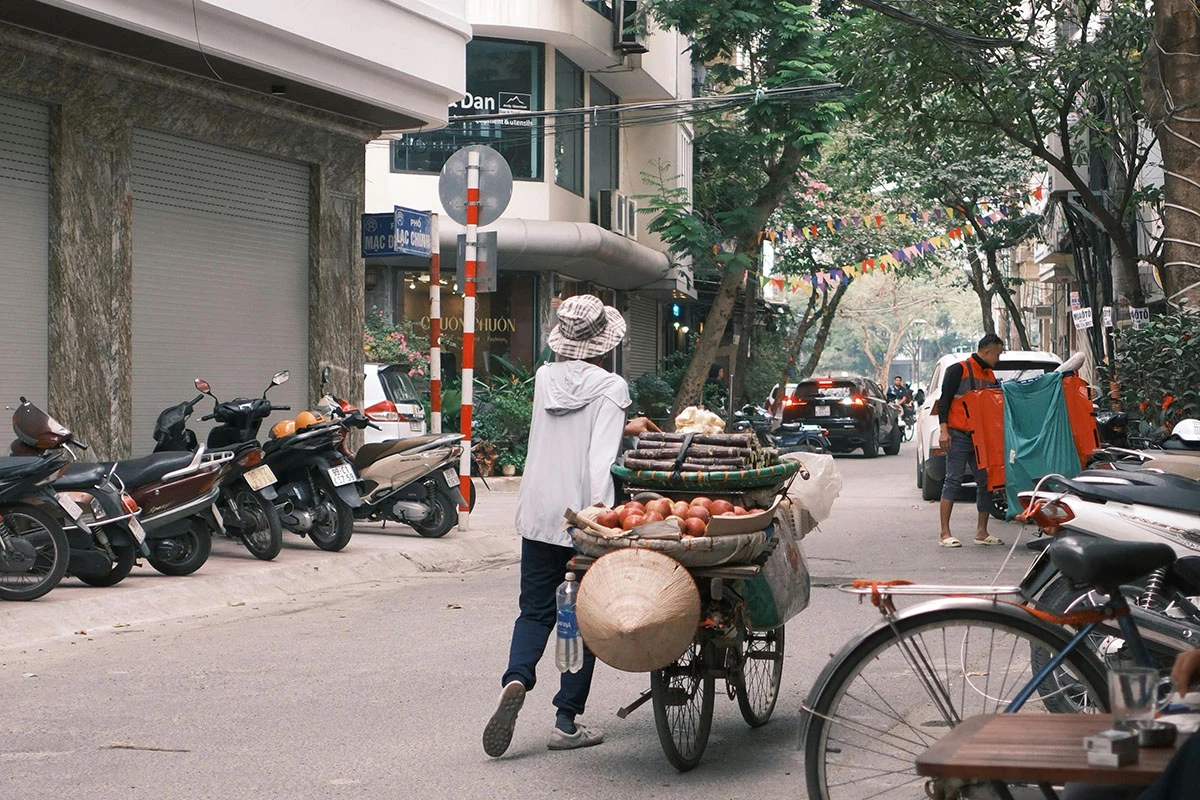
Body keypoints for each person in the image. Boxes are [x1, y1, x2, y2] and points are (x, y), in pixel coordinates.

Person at [482, 294, 658, 758]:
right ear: (603, 345)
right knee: (581, 617)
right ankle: (565, 720)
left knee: (535, 611)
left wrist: (625, 424)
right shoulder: (611, 387)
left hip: (538, 513)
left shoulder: (544, 379)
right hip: (581, 518)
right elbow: (598, 461)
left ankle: (517, 678)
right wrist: (599, 518)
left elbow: (566, 430)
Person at [937, 334, 1006, 548]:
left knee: (985, 482)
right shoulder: (959, 369)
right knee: (953, 481)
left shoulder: (990, 375)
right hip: (958, 434)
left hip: (981, 437)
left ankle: (982, 532)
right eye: (997, 354)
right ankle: (944, 534)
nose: (998, 358)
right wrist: (943, 431)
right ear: (986, 351)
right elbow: (944, 401)